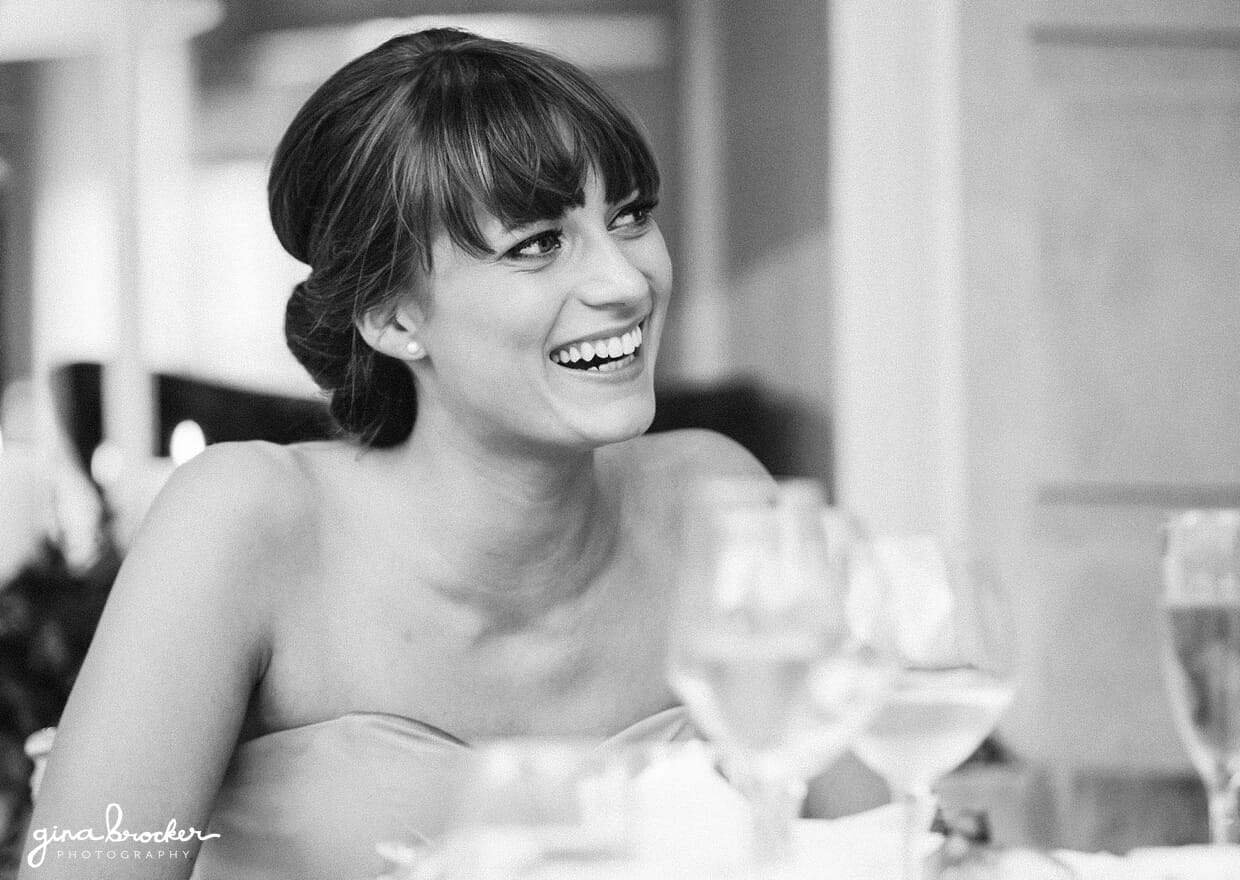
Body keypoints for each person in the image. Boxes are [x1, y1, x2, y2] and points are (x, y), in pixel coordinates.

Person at [18, 28, 774, 880]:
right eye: (538, 243)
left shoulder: (715, 498)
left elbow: (891, 840)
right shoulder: (241, 521)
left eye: (630, 217)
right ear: (391, 317)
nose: (626, 283)